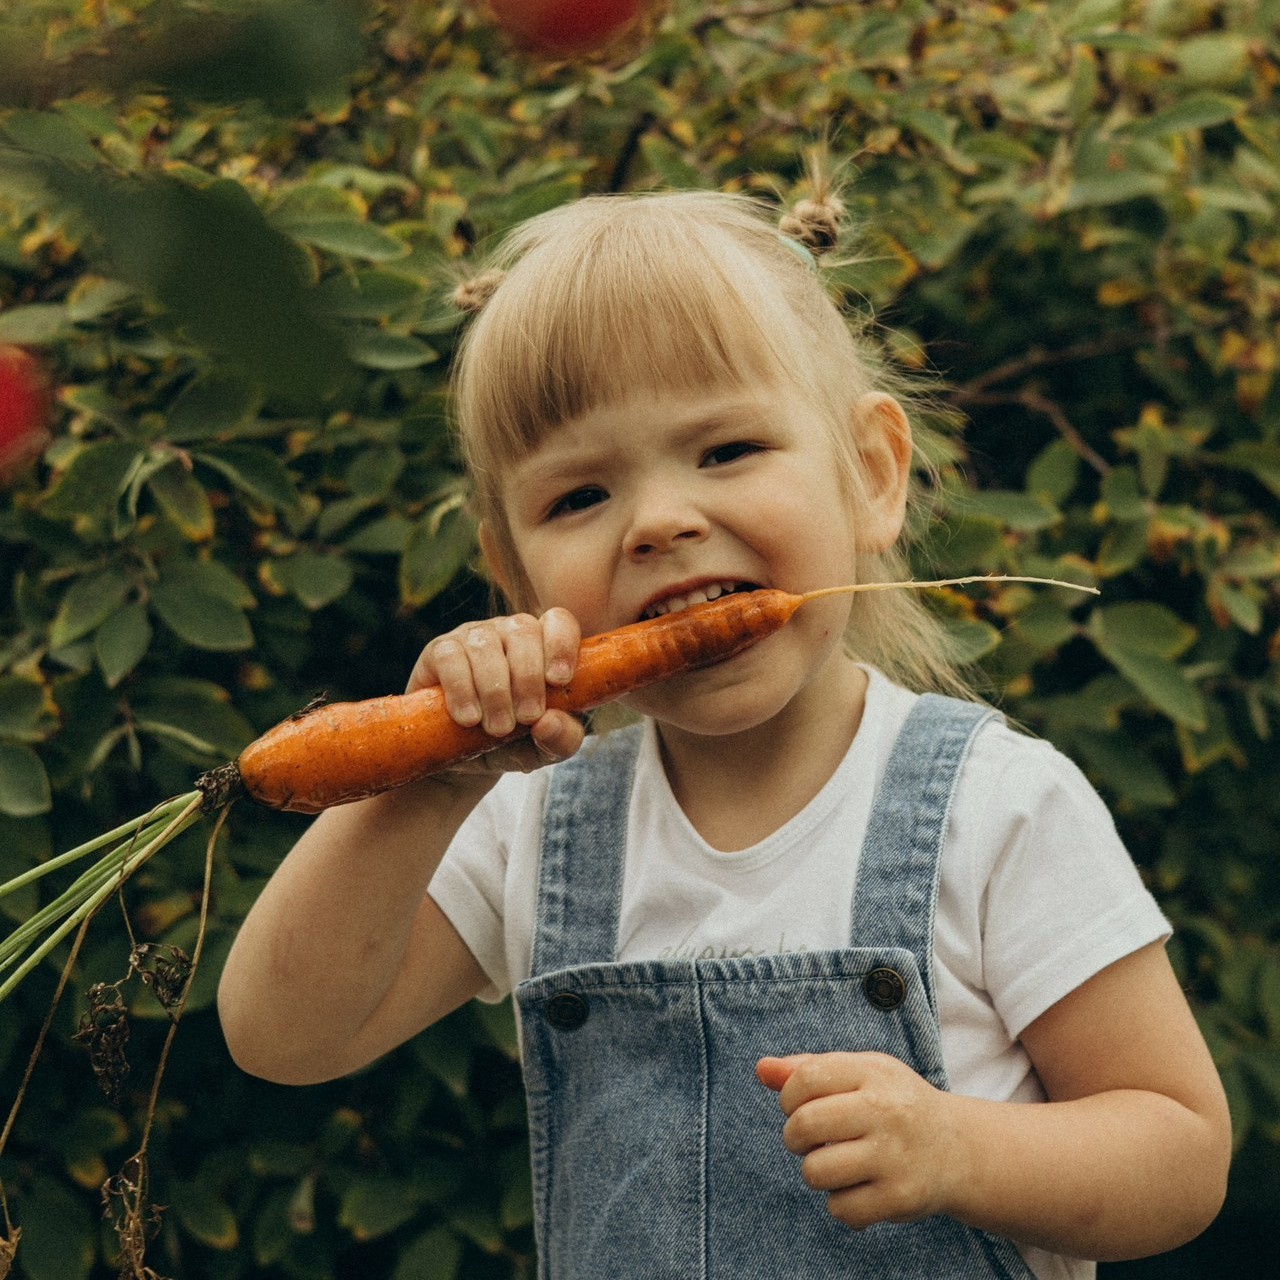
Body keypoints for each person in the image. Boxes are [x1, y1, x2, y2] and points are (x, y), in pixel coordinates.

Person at [217, 185, 1232, 1279]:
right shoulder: (531, 820)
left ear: (872, 475)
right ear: (511, 570)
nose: (659, 520)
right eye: (578, 496)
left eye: (726, 448)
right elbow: (283, 1033)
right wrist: (427, 777)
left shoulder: (995, 804)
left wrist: (959, 1146)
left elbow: (1178, 1151)